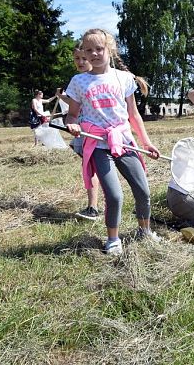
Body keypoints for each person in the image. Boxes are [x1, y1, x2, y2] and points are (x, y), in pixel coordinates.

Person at [63, 28, 161, 255]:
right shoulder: (79, 81)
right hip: (97, 143)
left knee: (142, 190)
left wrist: (146, 143)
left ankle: (144, 231)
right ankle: (113, 239)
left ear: (109, 49)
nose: (94, 54)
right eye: (89, 50)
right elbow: (72, 114)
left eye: (99, 48)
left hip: (123, 140)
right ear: (84, 53)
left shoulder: (124, 78)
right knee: (115, 194)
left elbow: (134, 114)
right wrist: (73, 124)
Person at [58, 45, 101, 221]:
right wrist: (63, 98)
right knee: (90, 166)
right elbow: (75, 104)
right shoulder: (77, 80)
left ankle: (93, 207)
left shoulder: (96, 80)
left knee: (91, 168)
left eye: (84, 58)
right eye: (77, 59)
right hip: (82, 129)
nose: (81, 62)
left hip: (94, 130)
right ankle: (95, 205)